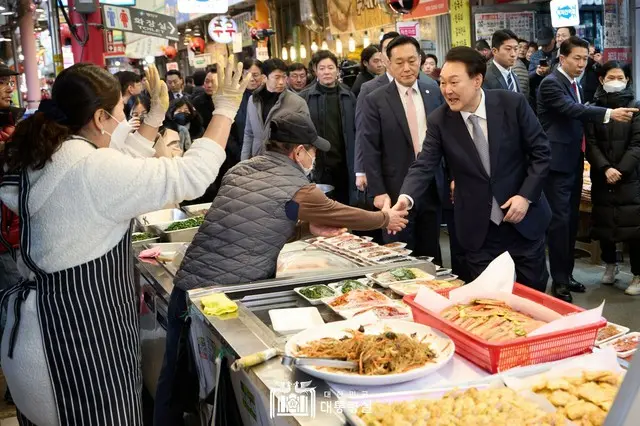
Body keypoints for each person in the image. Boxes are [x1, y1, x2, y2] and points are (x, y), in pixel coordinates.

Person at [0, 61, 249, 425]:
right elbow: (190, 176)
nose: (122, 119)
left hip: (41, 340)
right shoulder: (86, 168)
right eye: (120, 112)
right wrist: (225, 109)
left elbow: (116, 173)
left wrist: (152, 120)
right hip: (76, 352)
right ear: (101, 118)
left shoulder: (54, 155)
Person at [156, 111, 409, 424]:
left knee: (176, 373)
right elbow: (337, 212)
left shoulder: (241, 170)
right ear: (298, 151)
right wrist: (385, 219)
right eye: (312, 150)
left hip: (188, 286)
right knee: (217, 387)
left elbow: (264, 222)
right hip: (223, 297)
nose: (314, 157)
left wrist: (307, 231)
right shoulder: (298, 185)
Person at [393, 46, 552, 291]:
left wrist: (525, 196)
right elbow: (424, 164)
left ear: (477, 80)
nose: (447, 90)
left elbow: (541, 153)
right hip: (478, 229)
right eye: (443, 82)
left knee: (533, 296)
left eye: (454, 82)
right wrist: (406, 197)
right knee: (487, 303)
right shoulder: (440, 120)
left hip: (521, 221)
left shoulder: (512, 104)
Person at [538, 36, 638, 302]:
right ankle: (558, 281)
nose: (582, 64)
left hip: (572, 162)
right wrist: (608, 113)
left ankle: (567, 275)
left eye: (585, 58)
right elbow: (571, 110)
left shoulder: (575, 83)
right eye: (577, 58)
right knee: (559, 224)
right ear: (563, 58)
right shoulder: (551, 83)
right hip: (555, 165)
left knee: (570, 223)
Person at [361, 35, 444, 261]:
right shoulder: (375, 99)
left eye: (412, 61)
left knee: (431, 252)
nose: (407, 68)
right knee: (399, 253)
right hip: (394, 189)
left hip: (431, 185)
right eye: (399, 63)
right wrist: (378, 191)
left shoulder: (434, 90)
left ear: (420, 59)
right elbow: (369, 147)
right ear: (387, 63)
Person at [585, 61, 640, 295]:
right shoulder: (593, 109)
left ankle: (638, 275)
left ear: (627, 80)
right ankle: (610, 265)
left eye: (620, 77)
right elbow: (591, 143)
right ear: (602, 80)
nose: (616, 81)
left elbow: (637, 144)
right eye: (611, 77)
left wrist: (621, 170)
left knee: (634, 226)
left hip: (630, 177)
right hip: (602, 176)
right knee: (605, 222)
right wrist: (605, 168)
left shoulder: (635, 106)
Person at [300, 50, 357, 205]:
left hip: (345, 166)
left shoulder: (348, 95)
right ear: (315, 71)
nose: (327, 72)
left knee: (345, 209)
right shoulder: (304, 97)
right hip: (317, 167)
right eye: (322, 68)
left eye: (330, 67)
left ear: (337, 70)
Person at [353, 31, 399, 193]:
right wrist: (361, 170)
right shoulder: (369, 88)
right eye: (388, 49)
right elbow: (362, 130)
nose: (394, 53)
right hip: (385, 167)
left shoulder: (426, 86)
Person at [242, 58, 309, 160]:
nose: (281, 82)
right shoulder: (253, 100)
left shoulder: (297, 103)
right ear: (264, 78)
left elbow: (306, 137)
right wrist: (244, 161)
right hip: (257, 161)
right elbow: (249, 133)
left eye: (284, 77)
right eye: (277, 77)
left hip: (284, 163)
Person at [0, 63, 23, 291]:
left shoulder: (8, 123)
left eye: (9, 83)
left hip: (14, 234)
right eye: (2, 83)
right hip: (4, 240)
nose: (9, 89)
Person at [124, 93, 182, 158]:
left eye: (144, 114)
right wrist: (126, 132)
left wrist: (154, 136)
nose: (140, 118)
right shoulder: (125, 134)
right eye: (135, 115)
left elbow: (172, 161)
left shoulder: (168, 135)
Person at [483, 30, 525, 95]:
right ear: (494, 51)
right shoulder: (486, 77)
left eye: (516, 49)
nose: (513, 54)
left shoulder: (514, 75)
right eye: (508, 49)